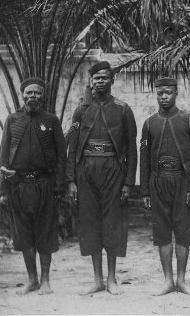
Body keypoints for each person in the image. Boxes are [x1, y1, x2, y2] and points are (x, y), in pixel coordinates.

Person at [66, 61, 137, 295]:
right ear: (91, 81)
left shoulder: (123, 109)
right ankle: (97, 279)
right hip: (85, 170)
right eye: (96, 78)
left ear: (112, 81)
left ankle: (112, 278)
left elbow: (132, 149)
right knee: (91, 223)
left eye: (104, 78)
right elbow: (72, 145)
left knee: (112, 223)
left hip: (113, 171)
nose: (100, 82)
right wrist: (71, 180)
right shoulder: (81, 110)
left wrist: (128, 182)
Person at [0, 77, 66, 295]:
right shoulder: (12, 120)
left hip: (44, 184)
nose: (32, 97)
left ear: (43, 95)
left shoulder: (52, 121)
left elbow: (61, 157)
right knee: (24, 235)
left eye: (37, 93)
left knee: (45, 233)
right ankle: (32, 280)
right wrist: (4, 189)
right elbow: (3, 156)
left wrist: (59, 186)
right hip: (18, 185)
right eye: (29, 93)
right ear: (22, 95)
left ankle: (46, 281)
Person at [140, 78, 190, 295]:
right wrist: (146, 191)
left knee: (183, 231)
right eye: (160, 93)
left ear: (176, 93)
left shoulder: (188, 121)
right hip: (158, 182)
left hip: (182, 181)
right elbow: (145, 158)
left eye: (168, 93)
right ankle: (168, 280)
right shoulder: (149, 123)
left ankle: (182, 280)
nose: (163, 97)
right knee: (162, 232)